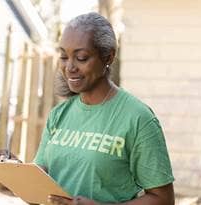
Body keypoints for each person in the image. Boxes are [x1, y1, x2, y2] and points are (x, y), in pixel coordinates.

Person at [33, 12, 175, 205]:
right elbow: (40, 184)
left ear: (108, 57)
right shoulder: (59, 114)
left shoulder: (138, 118)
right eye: (64, 57)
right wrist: (14, 172)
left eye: (81, 58)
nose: (69, 67)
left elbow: (163, 200)